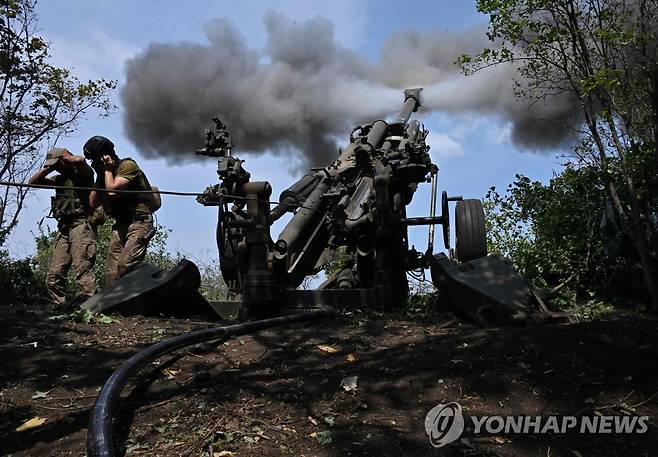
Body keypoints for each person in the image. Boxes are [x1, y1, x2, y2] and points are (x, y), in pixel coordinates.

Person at [28, 148, 98, 307]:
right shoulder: (59, 179)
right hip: (64, 229)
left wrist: (67, 158)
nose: (56, 168)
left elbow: (80, 161)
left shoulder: (82, 175)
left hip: (81, 226)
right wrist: (49, 167)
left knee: (83, 270)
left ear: (65, 159)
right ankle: (61, 306)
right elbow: (32, 183)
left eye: (57, 164)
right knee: (54, 274)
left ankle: (93, 307)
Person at [84, 136, 157, 286]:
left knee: (125, 264)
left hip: (139, 222)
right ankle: (116, 308)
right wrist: (101, 175)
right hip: (121, 224)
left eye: (96, 160)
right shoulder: (104, 175)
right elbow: (92, 202)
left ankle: (153, 284)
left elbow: (113, 192)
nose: (94, 164)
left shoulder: (127, 166)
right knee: (112, 272)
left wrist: (108, 170)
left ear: (106, 156)